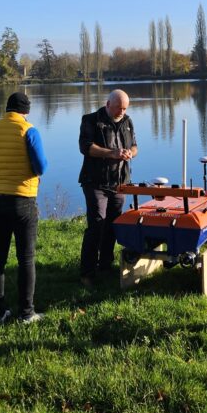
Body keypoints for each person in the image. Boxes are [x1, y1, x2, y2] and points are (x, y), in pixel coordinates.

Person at [0, 92, 48, 325]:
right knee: (26, 258)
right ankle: (26, 313)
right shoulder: (29, 130)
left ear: (7, 108)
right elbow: (41, 166)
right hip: (23, 200)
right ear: (26, 111)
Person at [77, 89, 137, 285]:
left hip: (120, 183)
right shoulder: (91, 120)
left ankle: (105, 265)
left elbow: (135, 146)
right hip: (95, 182)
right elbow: (86, 147)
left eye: (125, 108)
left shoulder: (127, 121)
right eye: (119, 107)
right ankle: (87, 272)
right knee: (96, 225)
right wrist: (112, 153)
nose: (122, 111)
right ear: (108, 104)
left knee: (113, 225)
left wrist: (130, 153)